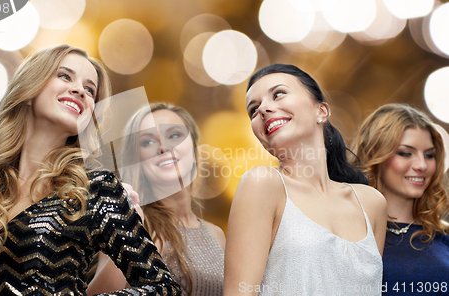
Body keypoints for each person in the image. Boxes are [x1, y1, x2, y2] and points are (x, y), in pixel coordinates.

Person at [0, 44, 182, 295]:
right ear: (29, 90)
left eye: (90, 90)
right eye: (64, 75)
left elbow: (163, 287)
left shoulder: (97, 190)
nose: (80, 90)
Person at [224, 64, 387, 296]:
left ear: (321, 111)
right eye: (254, 109)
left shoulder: (372, 203)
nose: (263, 109)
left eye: (278, 94)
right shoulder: (262, 184)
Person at [88, 103, 225, 296]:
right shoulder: (133, 224)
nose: (162, 147)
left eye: (175, 135)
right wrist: (128, 231)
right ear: (139, 162)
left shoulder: (217, 234)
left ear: (194, 151)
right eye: (148, 141)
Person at [351, 104, 449, 295]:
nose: (422, 165)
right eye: (405, 153)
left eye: (429, 155)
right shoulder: (346, 234)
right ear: (375, 155)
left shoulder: (444, 238)